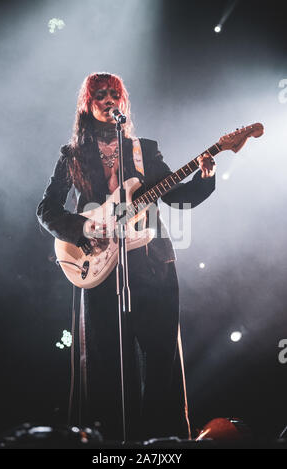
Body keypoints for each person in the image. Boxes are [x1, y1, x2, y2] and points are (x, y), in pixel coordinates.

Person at [36, 72, 216, 441]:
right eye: (99, 95)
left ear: (123, 101)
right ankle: (114, 442)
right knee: (107, 363)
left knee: (160, 359)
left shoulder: (143, 149)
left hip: (152, 267)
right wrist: (84, 229)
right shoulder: (72, 155)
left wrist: (204, 177)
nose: (107, 100)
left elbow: (175, 197)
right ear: (87, 105)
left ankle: (160, 441)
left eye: (113, 94)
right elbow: (46, 209)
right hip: (100, 267)